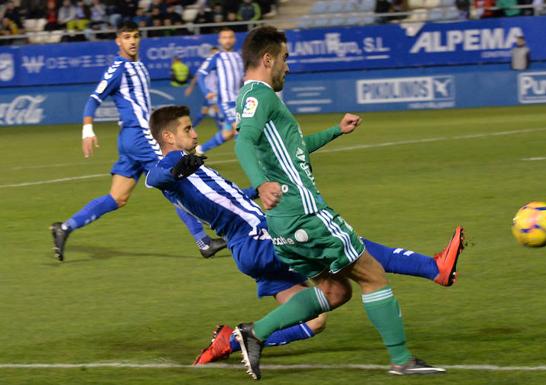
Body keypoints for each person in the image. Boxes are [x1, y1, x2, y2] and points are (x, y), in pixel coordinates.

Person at [144, 105, 464, 366]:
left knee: (317, 319)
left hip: (251, 248)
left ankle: (229, 342)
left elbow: (229, 198)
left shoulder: (194, 168)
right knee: (345, 245)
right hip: (257, 238)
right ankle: (433, 268)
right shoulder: (173, 167)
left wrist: (259, 188)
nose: (196, 133)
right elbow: (155, 177)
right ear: (169, 136)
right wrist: (176, 166)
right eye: (188, 129)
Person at [232, 26, 464, 379]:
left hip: (284, 221)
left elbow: (293, 152)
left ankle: (255, 334)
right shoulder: (259, 96)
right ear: (268, 59)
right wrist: (262, 183)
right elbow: (243, 142)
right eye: (285, 58)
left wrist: (336, 131)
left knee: (335, 291)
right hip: (304, 213)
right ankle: (401, 359)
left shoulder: (258, 99)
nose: (288, 68)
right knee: (373, 275)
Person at [50, 22, 226, 261]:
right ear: (117, 41)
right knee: (175, 181)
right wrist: (87, 130)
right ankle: (204, 241)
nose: (132, 41)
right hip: (140, 136)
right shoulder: (118, 68)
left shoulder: (139, 66)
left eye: (135, 36)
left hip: (130, 140)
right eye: (126, 37)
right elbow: (94, 98)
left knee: (117, 198)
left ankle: (65, 228)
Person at [194, 28, 244, 155]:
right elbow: (200, 75)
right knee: (241, 130)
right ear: (220, 40)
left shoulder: (239, 57)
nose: (227, 40)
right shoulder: (216, 58)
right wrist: (206, 92)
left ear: (234, 39)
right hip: (227, 102)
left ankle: (198, 150)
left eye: (230, 37)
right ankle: (256, 165)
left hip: (241, 101)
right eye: (224, 37)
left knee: (227, 134)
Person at [185, 46, 223, 131]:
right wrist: (190, 87)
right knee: (215, 109)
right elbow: (198, 75)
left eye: (217, 53)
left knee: (204, 112)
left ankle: (191, 127)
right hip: (210, 91)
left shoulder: (220, 63)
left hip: (216, 91)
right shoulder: (207, 63)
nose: (216, 55)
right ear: (211, 54)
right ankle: (222, 129)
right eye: (214, 53)